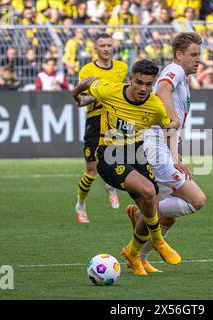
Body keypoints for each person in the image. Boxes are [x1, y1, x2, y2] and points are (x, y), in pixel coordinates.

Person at [73, 59, 182, 276]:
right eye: (139, 82)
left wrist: (174, 133)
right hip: (110, 156)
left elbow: (167, 126)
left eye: (148, 84)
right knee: (149, 191)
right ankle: (158, 240)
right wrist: (76, 94)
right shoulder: (109, 90)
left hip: (137, 154)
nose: (143, 89)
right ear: (130, 79)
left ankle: (132, 253)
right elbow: (88, 81)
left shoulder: (154, 105)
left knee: (151, 206)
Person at [124, 32, 206, 273]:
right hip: (155, 147)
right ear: (179, 55)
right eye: (193, 54)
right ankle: (142, 212)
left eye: (199, 54)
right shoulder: (175, 69)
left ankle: (138, 256)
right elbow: (162, 88)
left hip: (162, 145)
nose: (197, 59)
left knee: (169, 216)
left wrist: (176, 152)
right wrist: (174, 121)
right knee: (196, 201)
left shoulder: (183, 77)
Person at [71, 33, 128, 223]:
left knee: (116, 162)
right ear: (95, 49)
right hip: (95, 122)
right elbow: (82, 100)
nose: (106, 48)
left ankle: (111, 187)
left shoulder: (121, 68)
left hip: (114, 122)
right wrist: (101, 95)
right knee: (91, 170)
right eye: (102, 45)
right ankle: (80, 204)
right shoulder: (87, 70)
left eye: (109, 45)